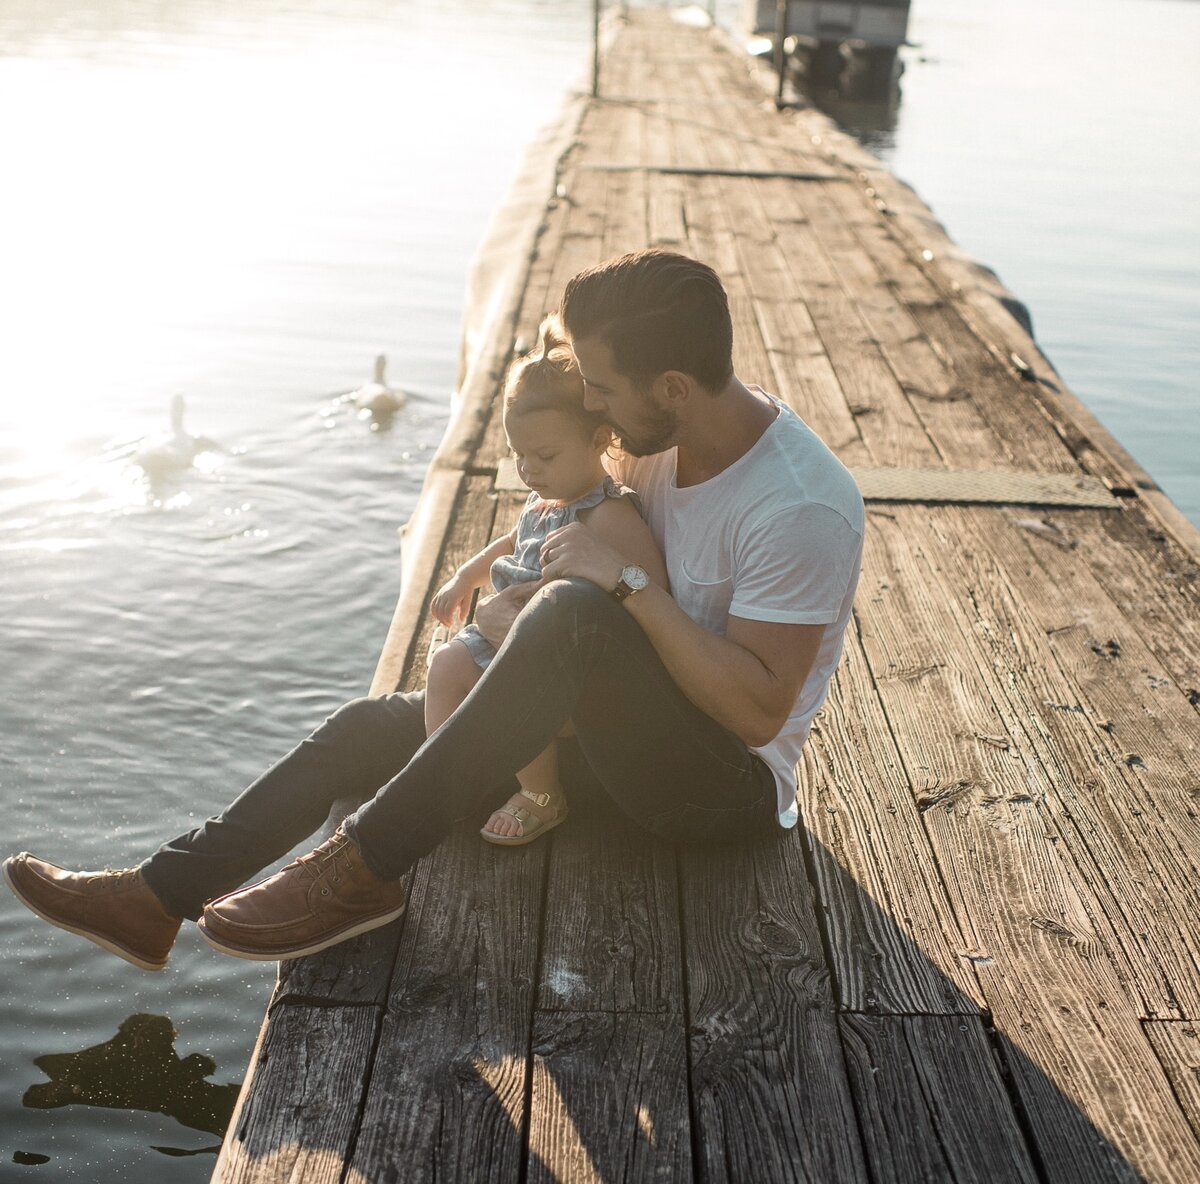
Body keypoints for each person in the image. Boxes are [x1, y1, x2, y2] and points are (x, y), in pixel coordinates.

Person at [4, 249, 864, 970]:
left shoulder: (798, 506)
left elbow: (757, 714)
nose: (590, 403)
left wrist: (622, 587)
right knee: (363, 729)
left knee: (572, 614)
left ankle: (363, 870)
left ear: (672, 387)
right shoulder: (655, 443)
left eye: (601, 387)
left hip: (715, 790)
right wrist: (495, 575)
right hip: (604, 739)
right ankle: (156, 898)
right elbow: (569, 525)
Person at [425, 318, 666, 845]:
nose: (529, 470)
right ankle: (446, 778)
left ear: (601, 438)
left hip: (559, 660)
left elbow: (650, 590)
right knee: (444, 666)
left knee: (515, 691)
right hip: (506, 629)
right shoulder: (546, 498)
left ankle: (542, 793)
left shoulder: (608, 515)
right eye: (519, 456)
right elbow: (512, 542)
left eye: (545, 456)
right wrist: (467, 576)